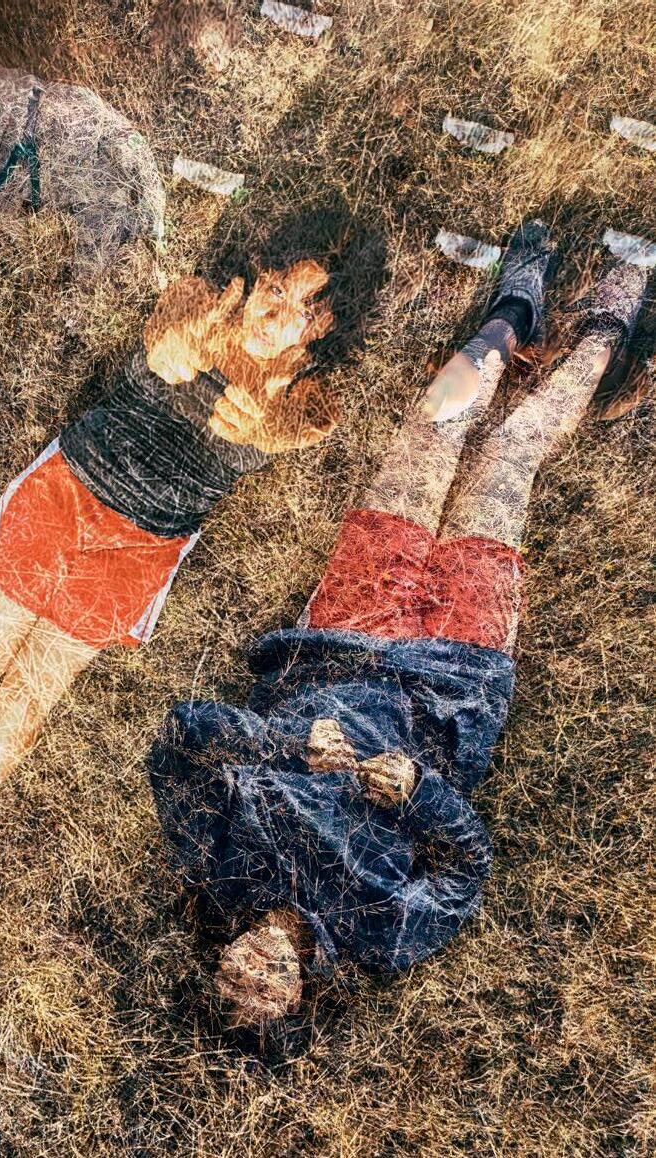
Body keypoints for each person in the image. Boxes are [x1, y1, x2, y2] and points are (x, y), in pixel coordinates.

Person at [147, 221, 651, 1031]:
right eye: (264, 1000)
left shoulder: (215, 861)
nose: (251, 975)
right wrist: (419, 797)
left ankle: (516, 300)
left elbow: (181, 736)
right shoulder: (379, 933)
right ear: (301, 1003)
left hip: (339, 635)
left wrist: (284, 745)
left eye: (229, 984)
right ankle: (616, 307)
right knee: (511, 454)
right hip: (455, 675)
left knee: (431, 429)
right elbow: (467, 869)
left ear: (218, 959)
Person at [0, 259, 339, 913]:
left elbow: (319, 419)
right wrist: (177, 341)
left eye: (295, 314)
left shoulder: (297, 392)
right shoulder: (203, 305)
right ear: (253, 287)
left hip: (140, 551)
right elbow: (172, 315)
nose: (273, 316)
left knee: (30, 697)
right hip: (64, 494)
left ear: (311, 336)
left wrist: (269, 427)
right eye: (273, 293)